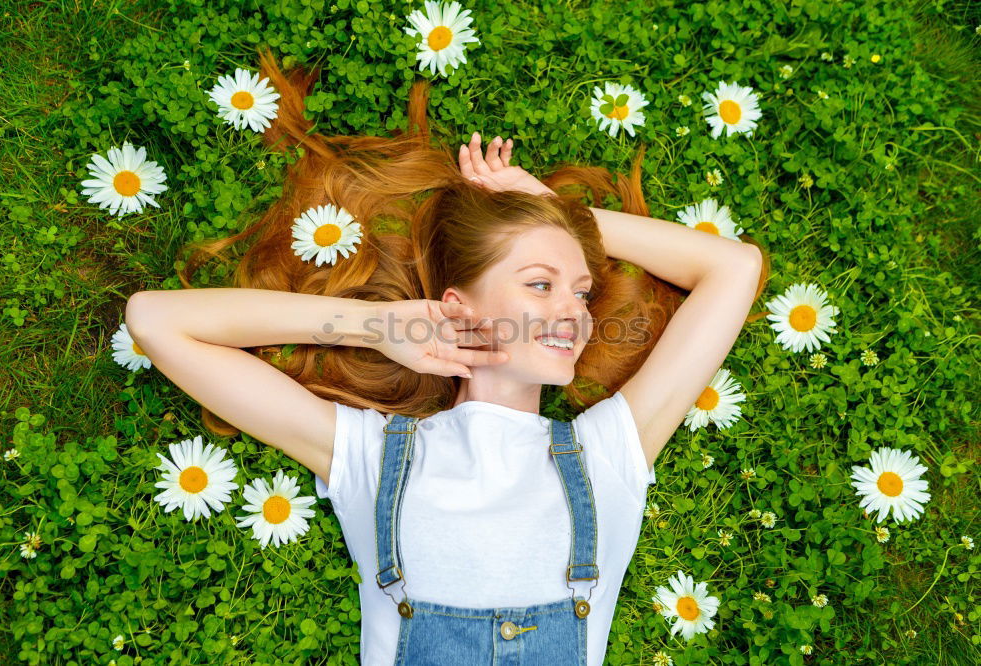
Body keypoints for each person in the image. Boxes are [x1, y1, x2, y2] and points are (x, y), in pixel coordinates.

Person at [125, 49, 768, 665]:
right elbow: (154, 321)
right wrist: (371, 325)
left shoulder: (610, 456)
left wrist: (556, 213)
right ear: (461, 305)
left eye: (582, 292)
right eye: (540, 284)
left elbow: (733, 268)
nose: (573, 312)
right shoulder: (374, 460)